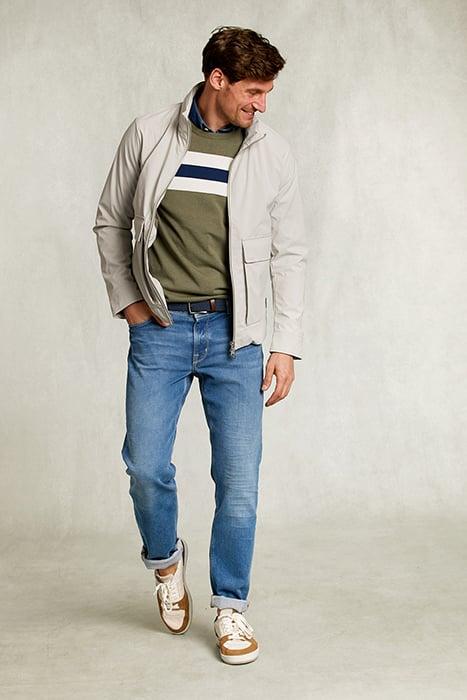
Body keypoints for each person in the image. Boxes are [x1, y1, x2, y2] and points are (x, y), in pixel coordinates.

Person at [92, 25, 307, 665]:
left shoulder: (271, 153)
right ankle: (166, 564)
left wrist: (285, 343)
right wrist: (130, 303)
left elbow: (290, 253)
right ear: (217, 79)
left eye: (266, 93)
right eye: (252, 91)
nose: (261, 104)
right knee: (144, 464)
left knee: (238, 483)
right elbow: (111, 220)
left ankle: (231, 606)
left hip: (235, 336)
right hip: (160, 329)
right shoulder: (149, 135)